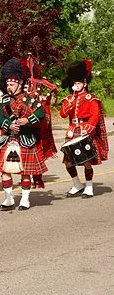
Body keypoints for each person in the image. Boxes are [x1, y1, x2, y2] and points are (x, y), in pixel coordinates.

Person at [0, 58, 47, 211]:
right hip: (9, 139)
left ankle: (25, 199)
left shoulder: (30, 99)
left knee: (25, 172)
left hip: (25, 139)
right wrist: (8, 124)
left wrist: (27, 120)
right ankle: (8, 199)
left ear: (19, 83)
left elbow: (41, 113)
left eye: (11, 84)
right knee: (4, 171)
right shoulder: (3, 102)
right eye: (7, 84)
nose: (8, 87)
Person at [60, 59, 109, 197]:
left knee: (86, 161)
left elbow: (95, 115)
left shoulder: (91, 99)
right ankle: (77, 184)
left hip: (84, 130)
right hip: (71, 131)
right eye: (74, 83)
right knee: (68, 162)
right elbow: (63, 114)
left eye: (79, 83)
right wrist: (70, 102)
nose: (76, 85)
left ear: (84, 83)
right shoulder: (69, 98)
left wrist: (87, 130)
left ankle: (89, 186)